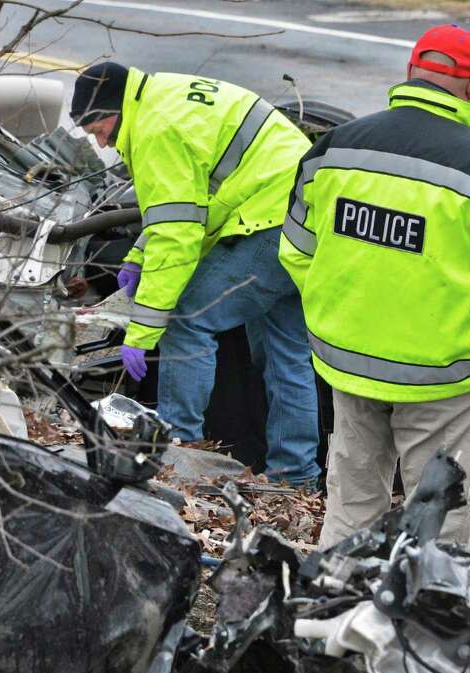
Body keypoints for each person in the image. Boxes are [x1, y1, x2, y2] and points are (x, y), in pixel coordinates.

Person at [279, 25, 470, 548]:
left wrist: (341, 319)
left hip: (349, 364)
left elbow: (296, 252)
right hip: (443, 379)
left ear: (409, 73)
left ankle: (338, 597)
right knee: (437, 525)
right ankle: (424, 602)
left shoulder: (334, 148)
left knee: (351, 509)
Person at [69, 63, 321, 486]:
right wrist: (139, 254)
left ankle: (178, 456)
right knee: (287, 355)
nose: (101, 142)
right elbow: (186, 202)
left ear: (114, 109)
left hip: (271, 219)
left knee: (187, 319)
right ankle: (295, 477)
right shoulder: (161, 99)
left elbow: (177, 237)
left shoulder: (154, 129)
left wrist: (143, 333)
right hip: (304, 214)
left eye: (98, 128)